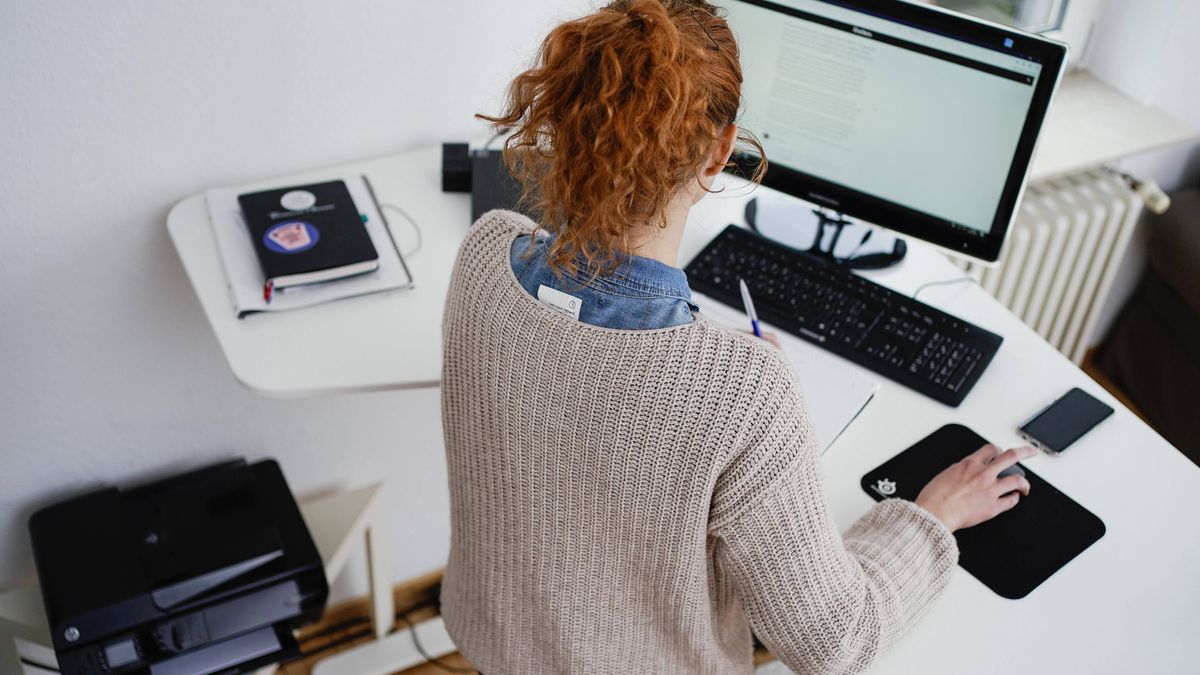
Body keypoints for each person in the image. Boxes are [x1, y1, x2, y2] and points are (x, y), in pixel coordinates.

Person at [439, 1, 1035, 673]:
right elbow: (835, 643)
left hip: (497, 644)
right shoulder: (743, 390)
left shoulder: (484, 255)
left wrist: (736, 385)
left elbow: (581, 387)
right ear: (720, 152)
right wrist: (929, 515)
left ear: (565, 124)